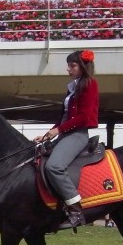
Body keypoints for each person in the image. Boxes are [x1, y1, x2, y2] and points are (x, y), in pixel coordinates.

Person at [32, 49, 99, 229]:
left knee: (54, 166)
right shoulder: (72, 87)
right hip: (65, 133)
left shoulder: (90, 84)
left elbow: (84, 117)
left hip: (78, 135)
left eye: (72, 65)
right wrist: (48, 134)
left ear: (83, 66)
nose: (68, 69)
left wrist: (59, 130)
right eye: (68, 65)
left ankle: (76, 210)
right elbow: (64, 117)